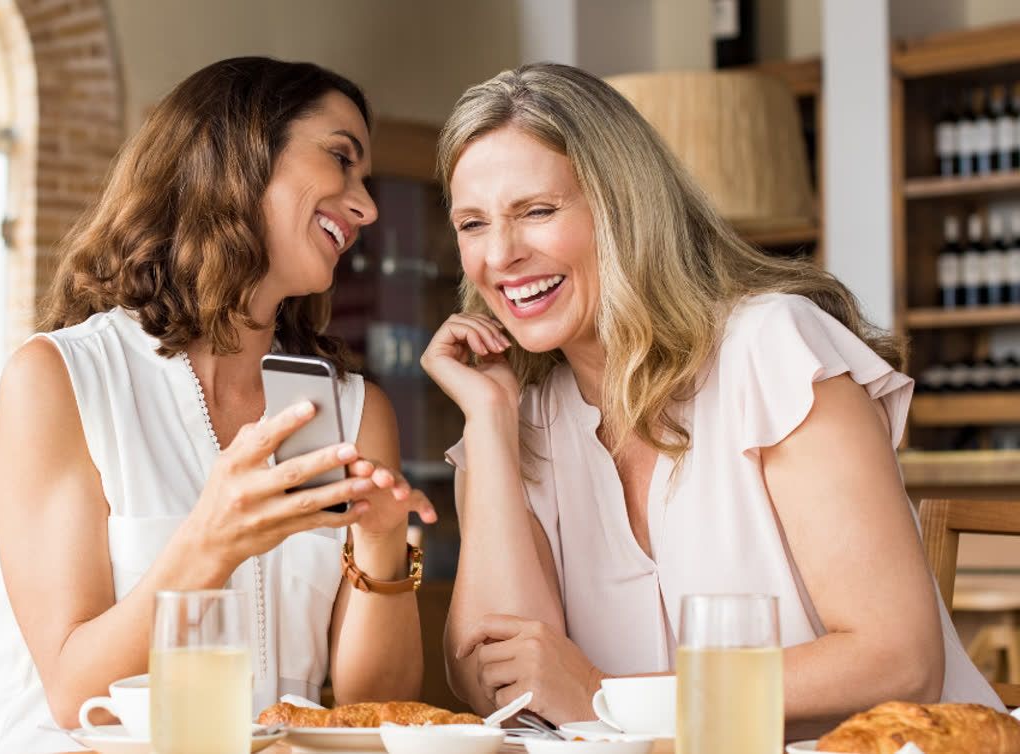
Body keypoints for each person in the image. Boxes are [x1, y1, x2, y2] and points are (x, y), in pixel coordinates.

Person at [421, 63, 1003, 741]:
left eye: (538, 211)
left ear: (625, 206)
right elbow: (503, 687)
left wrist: (605, 696)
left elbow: (898, 662)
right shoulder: (517, 420)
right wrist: (489, 426)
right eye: (472, 224)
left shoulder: (772, 347)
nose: (502, 255)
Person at [0, 57, 437, 754]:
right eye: (340, 159)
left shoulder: (355, 412)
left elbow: (370, 709)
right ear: (239, 153)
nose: (367, 205)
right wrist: (211, 540)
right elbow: (72, 694)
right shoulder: (60, 379)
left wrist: (383, 546)